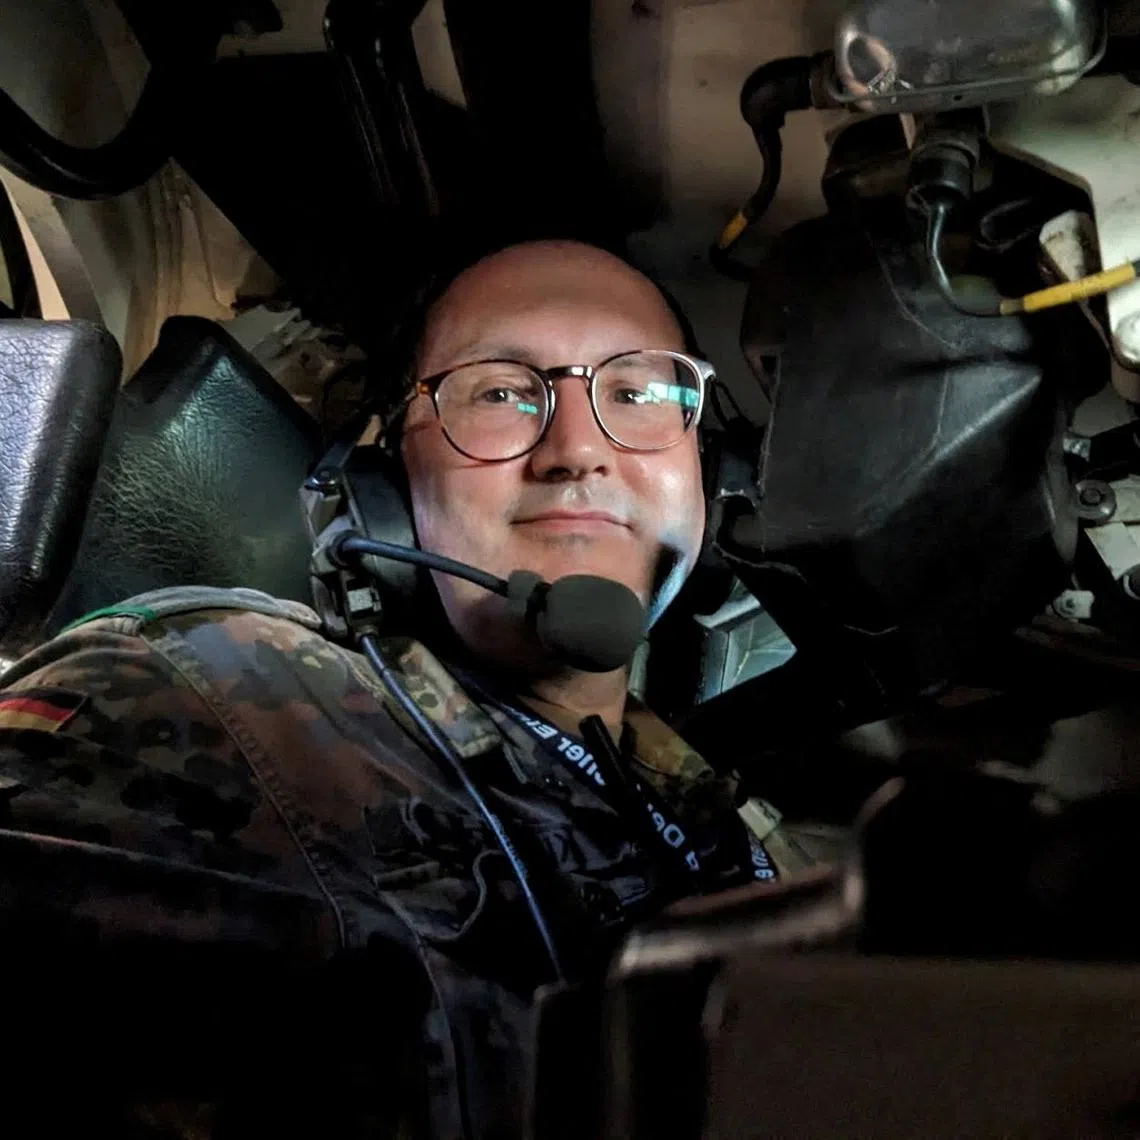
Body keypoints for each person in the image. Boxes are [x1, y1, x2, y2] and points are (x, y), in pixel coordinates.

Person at [0, 240, 818, 1137]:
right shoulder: (211, 687)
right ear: (382, 481)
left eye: (637, 392)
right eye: (500, 392)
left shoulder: (736, 831)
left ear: (709, 471)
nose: (578, 450)